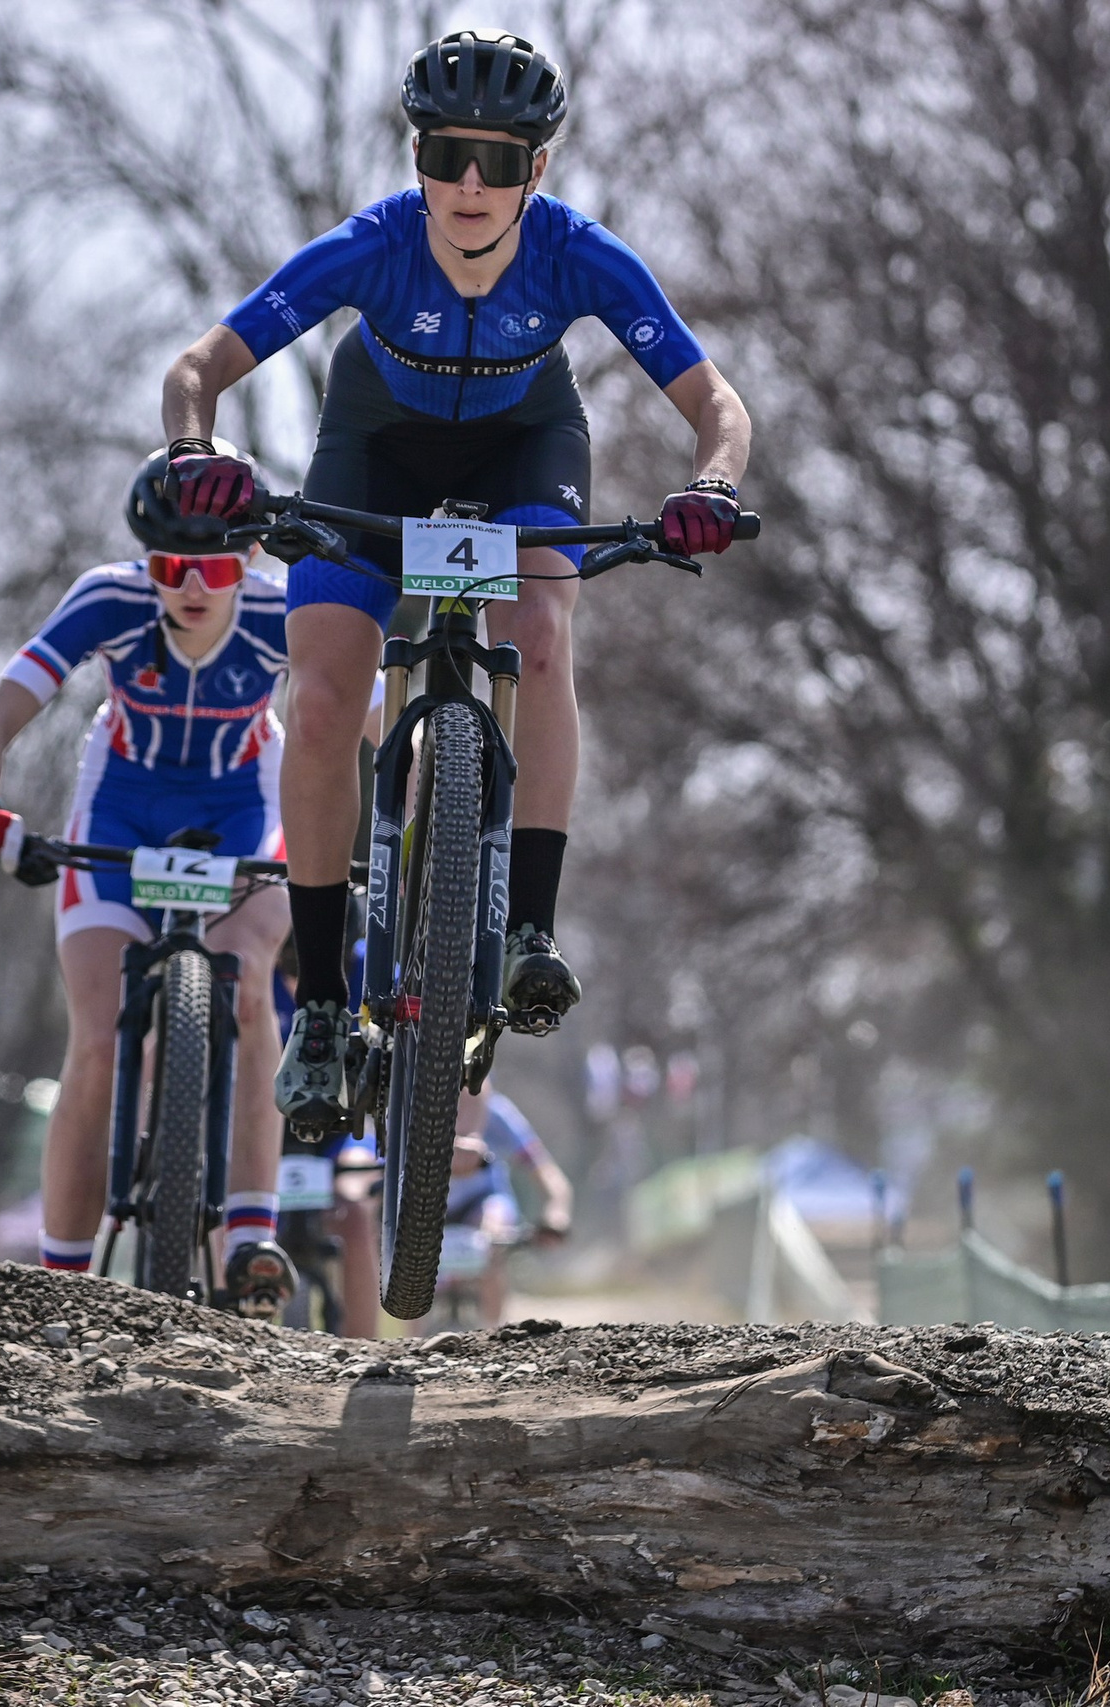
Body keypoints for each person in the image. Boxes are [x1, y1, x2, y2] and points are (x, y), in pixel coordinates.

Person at [157, 29, 753, 1132]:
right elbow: (198, 370)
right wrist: (197, 456)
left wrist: (710, 485)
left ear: (540, 166)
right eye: (444, 155)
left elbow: (718, 407)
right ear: (416, 155)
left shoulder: (580, 255)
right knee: (327, 697)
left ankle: (527, 928)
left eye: (498, 158)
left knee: (544, 632)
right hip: (374, 447)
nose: (468, 185)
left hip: (524, 443)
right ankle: (326, 1006)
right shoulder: (371, 246)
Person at [0, 453, 296, 1314]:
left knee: (250, 989)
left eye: (211, 565)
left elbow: (367, 712)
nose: (186, 584)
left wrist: (417, 823)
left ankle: (251, 1233)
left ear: (247, 560)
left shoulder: (283, 610)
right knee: (99, 1039)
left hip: (243, 811)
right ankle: (60, 1283)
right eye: (166, 565)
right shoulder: (109, 597)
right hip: (120, 812)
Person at [425, 1080, 574, 1331]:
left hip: (483, 1202)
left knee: (492, 1234)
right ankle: (412, 1346)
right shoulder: (411, 1109)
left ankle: (491, 1333)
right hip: (428, 1207)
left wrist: (556, 1214)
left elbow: (546, 1171)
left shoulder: (497, 1113)